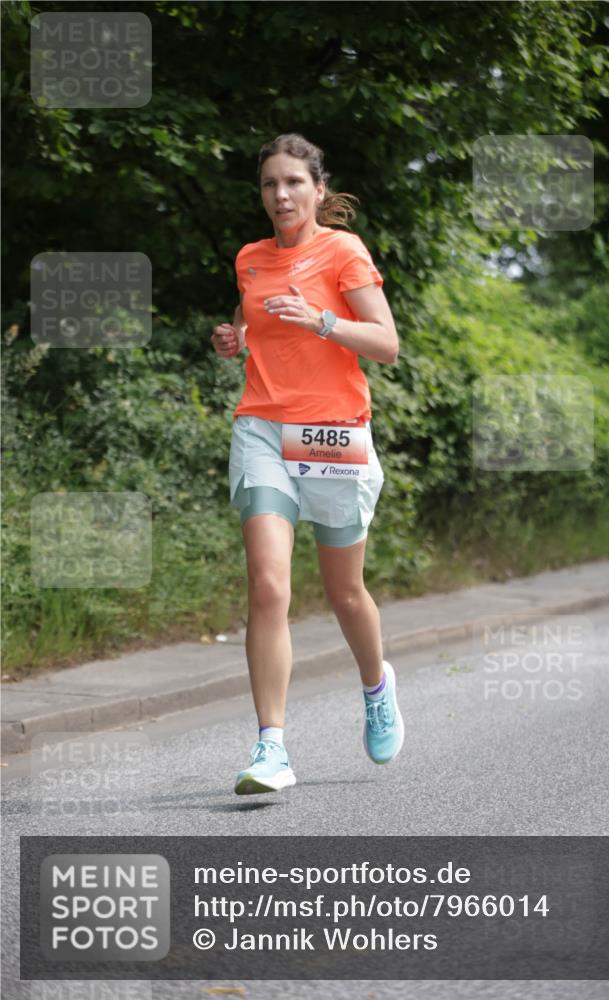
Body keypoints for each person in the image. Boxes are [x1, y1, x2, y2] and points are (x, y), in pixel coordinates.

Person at [211, 133, 404, 795]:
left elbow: (385, 344)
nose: (281, 195)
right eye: (269, 184)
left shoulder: (342, 252)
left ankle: (376, 687)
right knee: (267, 586)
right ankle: (271, 749)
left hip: (331, 436)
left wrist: (323, 321)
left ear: (318, 190)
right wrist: (232, 336)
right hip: (262, 427)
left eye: (293, 182)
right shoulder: (249, 257)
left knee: (344, 592)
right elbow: (251, 312)